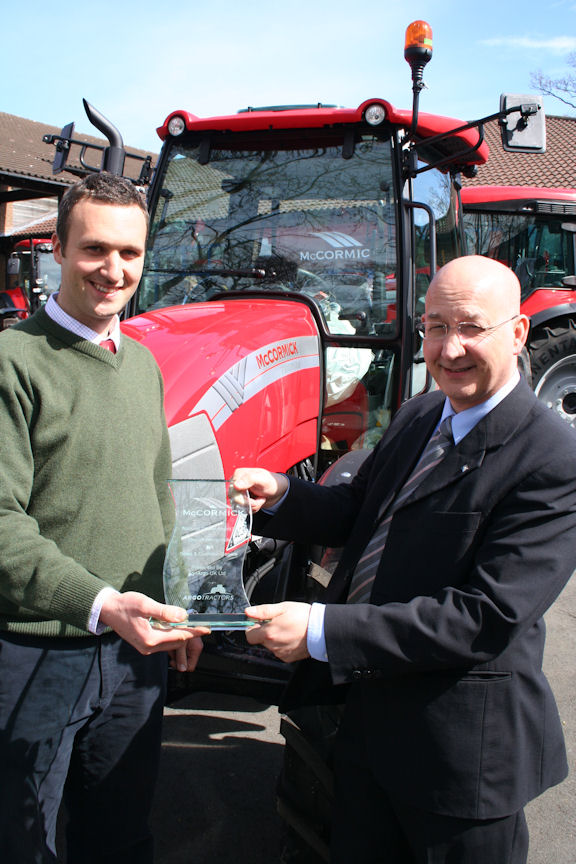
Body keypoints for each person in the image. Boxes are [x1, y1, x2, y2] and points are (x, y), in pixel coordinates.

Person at [233, 255, 576, 864]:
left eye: (472, 327)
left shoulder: (552, 458)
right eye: (436, 326)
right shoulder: (422, 413)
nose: (449, 349)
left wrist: (319, 630)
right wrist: (282, 496)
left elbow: (484, 616)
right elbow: (361, 509)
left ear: (519, 333)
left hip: (460, 762)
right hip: (367, 733)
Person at [0, 173, 208, 864]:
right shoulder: (13, 363)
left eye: (130, 252)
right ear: (56, 247)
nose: (113, 270)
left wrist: (174, 608)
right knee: (29, 840)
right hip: (35, 651)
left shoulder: (143, 363)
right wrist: (99, 602)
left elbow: (157, 498)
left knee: (119, 833)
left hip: (133, 653)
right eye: (94, 249)